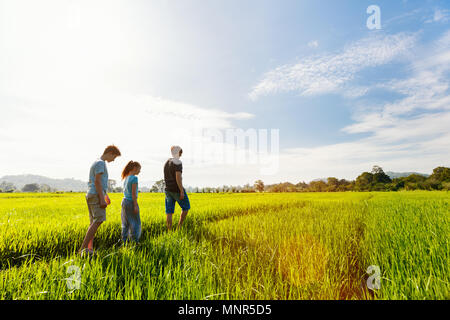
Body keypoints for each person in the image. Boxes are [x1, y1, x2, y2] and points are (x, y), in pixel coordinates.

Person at [80, 145, 121, 256]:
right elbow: (97, 182)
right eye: (114, 157)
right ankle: (82, 249)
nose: (113, 160)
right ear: (110, 153)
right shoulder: (100, 163)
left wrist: (105, 195)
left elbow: (98, 182)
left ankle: (89, 250)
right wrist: (102, 199)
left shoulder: (97, 162)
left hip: (92, 194)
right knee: (98, 220)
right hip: (96, 195)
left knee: (93, 222)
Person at [164, 146, 190, 231]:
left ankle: (170, 231)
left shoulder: (167, 162)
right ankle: (179, 227)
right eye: (181, 153)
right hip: (176, 189)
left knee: (169, 212)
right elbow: (178, 177)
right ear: (179, 153)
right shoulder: (178, 162)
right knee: (186, 207)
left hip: (167, 190)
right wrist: (181, 190)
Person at [121, 160, 142, 244]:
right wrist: (135, 205)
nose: (140, 171)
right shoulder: (134, 178)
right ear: (134, 168)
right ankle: (135, 242)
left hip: (124, 202)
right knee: (135, 223)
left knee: (125, 223)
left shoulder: (126, 177)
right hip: (131, 202)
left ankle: (124, 242)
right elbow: (133, 194)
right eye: (139, 169)